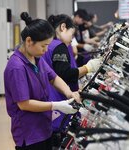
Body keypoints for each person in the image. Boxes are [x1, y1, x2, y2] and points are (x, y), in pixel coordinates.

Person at [4, 12, 81, 150]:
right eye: (43, 46)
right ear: (29, 41)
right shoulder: (17, 67)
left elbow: (54, 77)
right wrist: (55, 105)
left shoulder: (36, 59)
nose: (46, 51)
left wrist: (69, 93)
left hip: (44, 126)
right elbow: (24, 104)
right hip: (29, 133)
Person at [42, 14, 102, 148]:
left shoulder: (48, 46)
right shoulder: (59, 46)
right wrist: (88, 68)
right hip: (58, 100)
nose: (72, 38)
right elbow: (65, 74)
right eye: (72, 33)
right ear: (63, 27)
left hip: (50, 99)